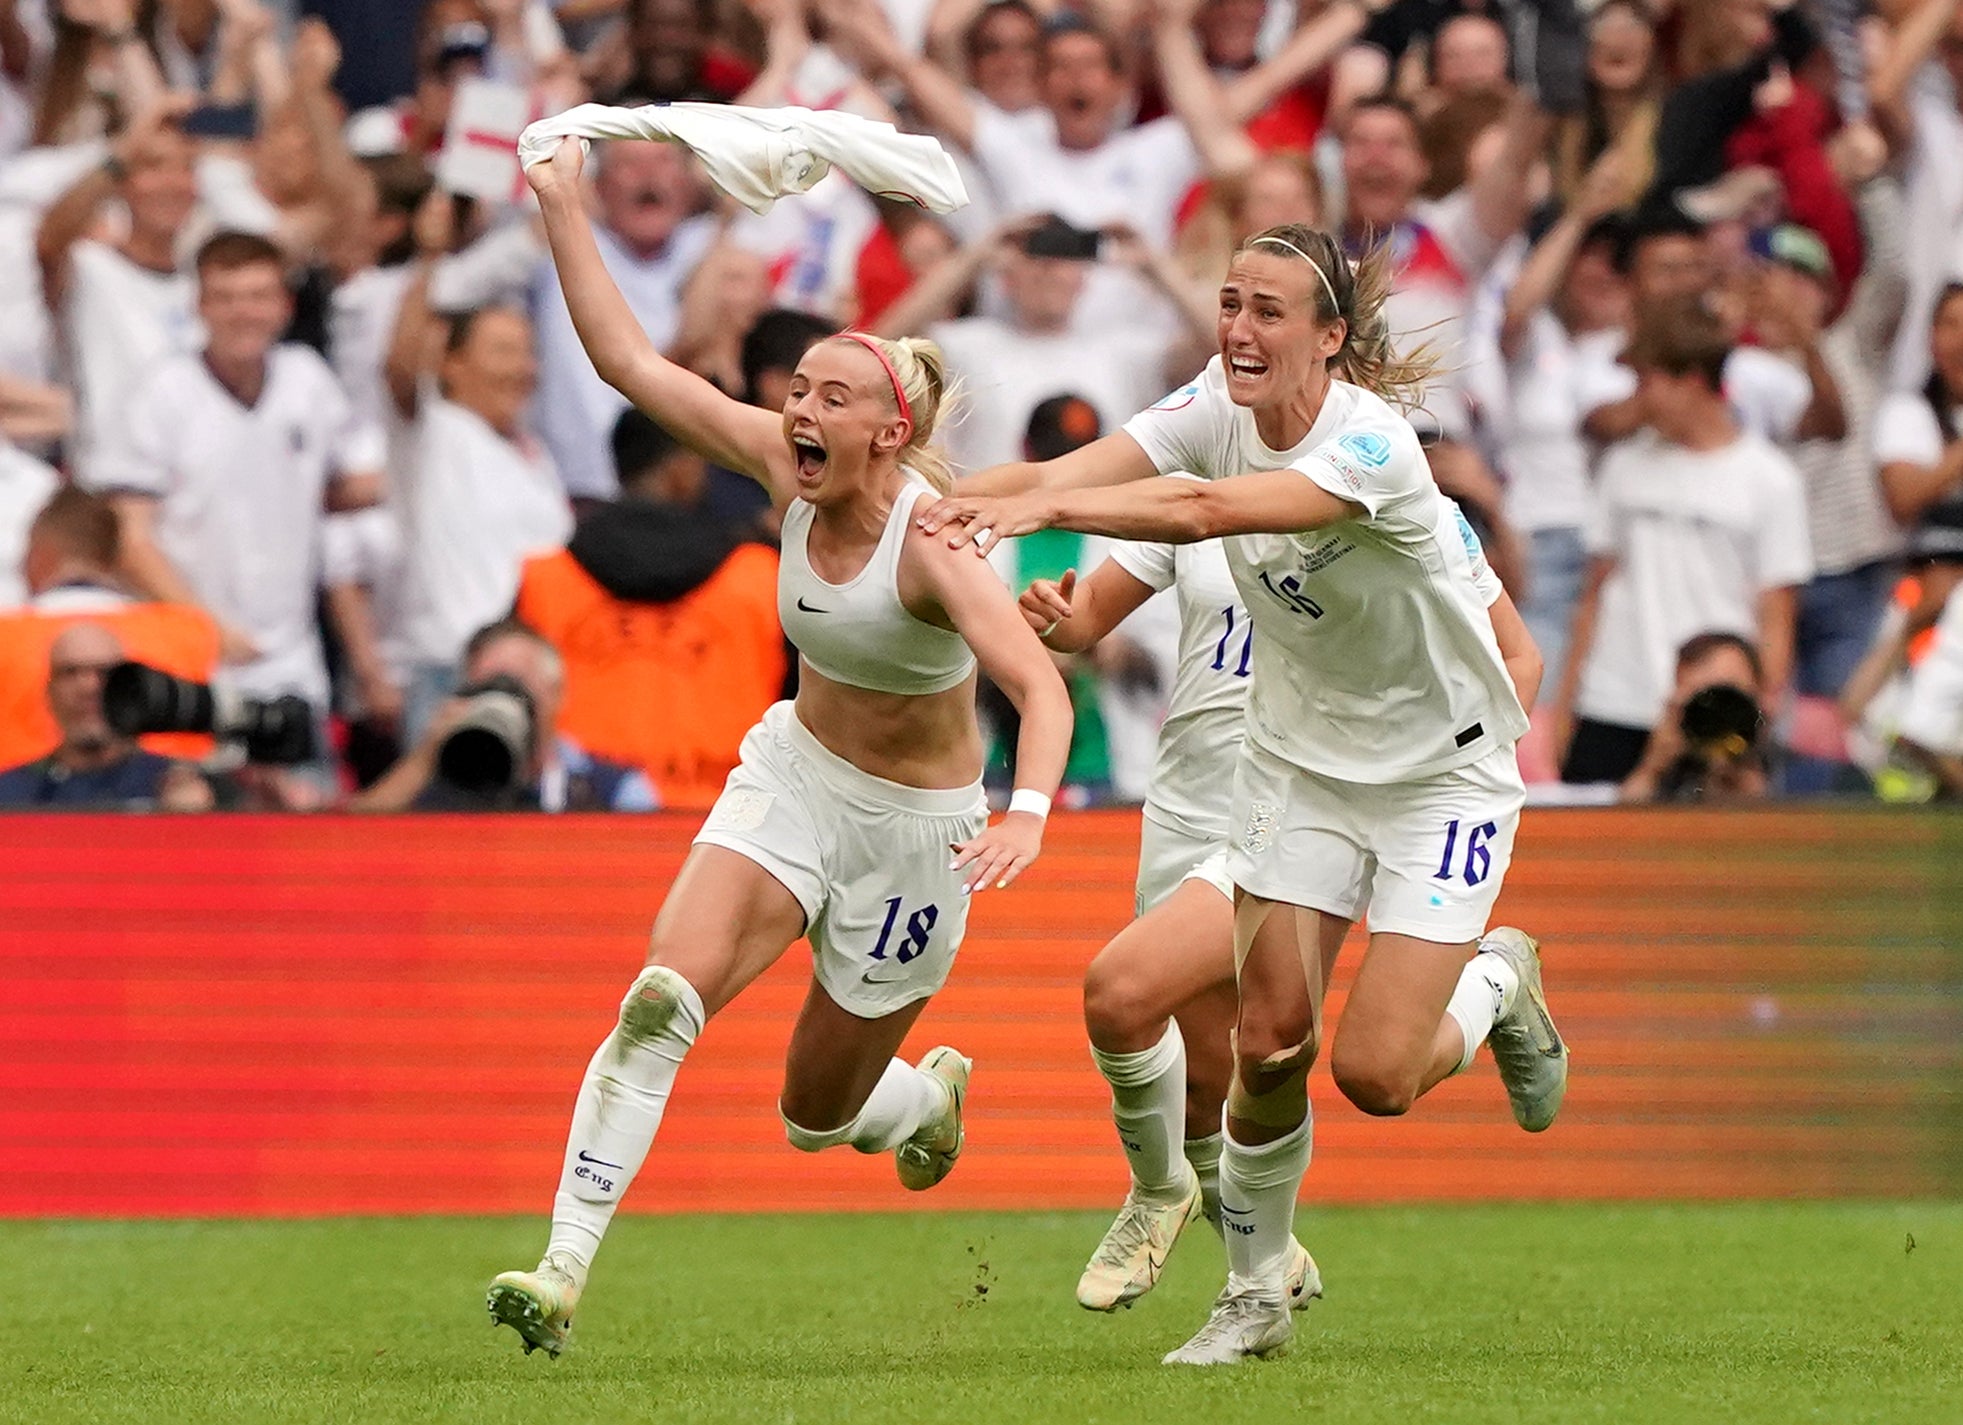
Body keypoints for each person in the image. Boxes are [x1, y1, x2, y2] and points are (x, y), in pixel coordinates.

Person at [917, 221, 1564, 1365]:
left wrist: (1041, 513)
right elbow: (1079, 472)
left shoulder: (1370, 448)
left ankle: (1496, 986)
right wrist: (928, 504)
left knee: (1375, 1075)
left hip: (1437, 779)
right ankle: (1254, 1295)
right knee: (1269, 1044)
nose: (1239, 329)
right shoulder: (1212, 397)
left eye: (1268, 312)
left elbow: (1202, 512)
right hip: (1298, 768)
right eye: (1230, 303)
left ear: (1329, 339)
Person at [484, 136, 1072, 1359]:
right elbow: (627, 360)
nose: (798, 409)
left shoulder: (934, 546)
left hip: (920, 836)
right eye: (796, 387)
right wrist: (560, 203)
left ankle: (923, 1096)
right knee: (658, 1003)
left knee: (816, 1116)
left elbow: (1036, 686)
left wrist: (1027, 814)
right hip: (796, 779)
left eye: (830, 397)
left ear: (890, 436)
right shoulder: (775, 462)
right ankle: (561, 1269)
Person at [1007, 478, 1321, 1314]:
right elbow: (1083, 620)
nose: (1240, 343)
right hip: (1181, 804)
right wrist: (1052, 612)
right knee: (1214, 1078)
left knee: (1120, 992)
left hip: (1286, 809)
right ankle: (1267, 1262)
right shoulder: (1201, 496)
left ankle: (1155, 1192)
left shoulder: (1365, 494)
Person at [83, 231, 384, 733]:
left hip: (293, 663)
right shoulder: (161, 394)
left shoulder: (307, 379)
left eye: (258, 296)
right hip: (192, 664)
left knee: (310, 808)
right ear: (198, 306)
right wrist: (206, 626)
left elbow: (339, 488)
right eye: (226, 298)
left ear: (285, 305)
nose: (243, 312)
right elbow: (128, 535)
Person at [1555, 296, 1813, 787]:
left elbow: (1777, 615)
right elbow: (1593, 596)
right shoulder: (1622, 467)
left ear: (1692, 380)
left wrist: (1757, 721)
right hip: (1613, 700)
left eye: (1647, 380)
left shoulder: (1771, 480)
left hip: (1710, 710)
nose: (1637, 397)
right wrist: (1566, 710)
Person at [515, 410, 786, 809]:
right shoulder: (759, 574)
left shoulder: (546, 578)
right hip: (727, 824)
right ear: (682, 470)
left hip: (580, 822)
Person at [348, 618, 657, 813]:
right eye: (488, 687)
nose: (502, 699)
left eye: (517, 686)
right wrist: (427, 756)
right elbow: (349, 841)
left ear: (556, 694)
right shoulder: (441, 788)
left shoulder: (611, 790)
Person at [0, 622, 211, 811]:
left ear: (131, 689)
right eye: (70, 672)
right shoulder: (10, 793)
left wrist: (189, 824)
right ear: (49, 691)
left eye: (105, 672)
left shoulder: (176, 783)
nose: (88, 687)